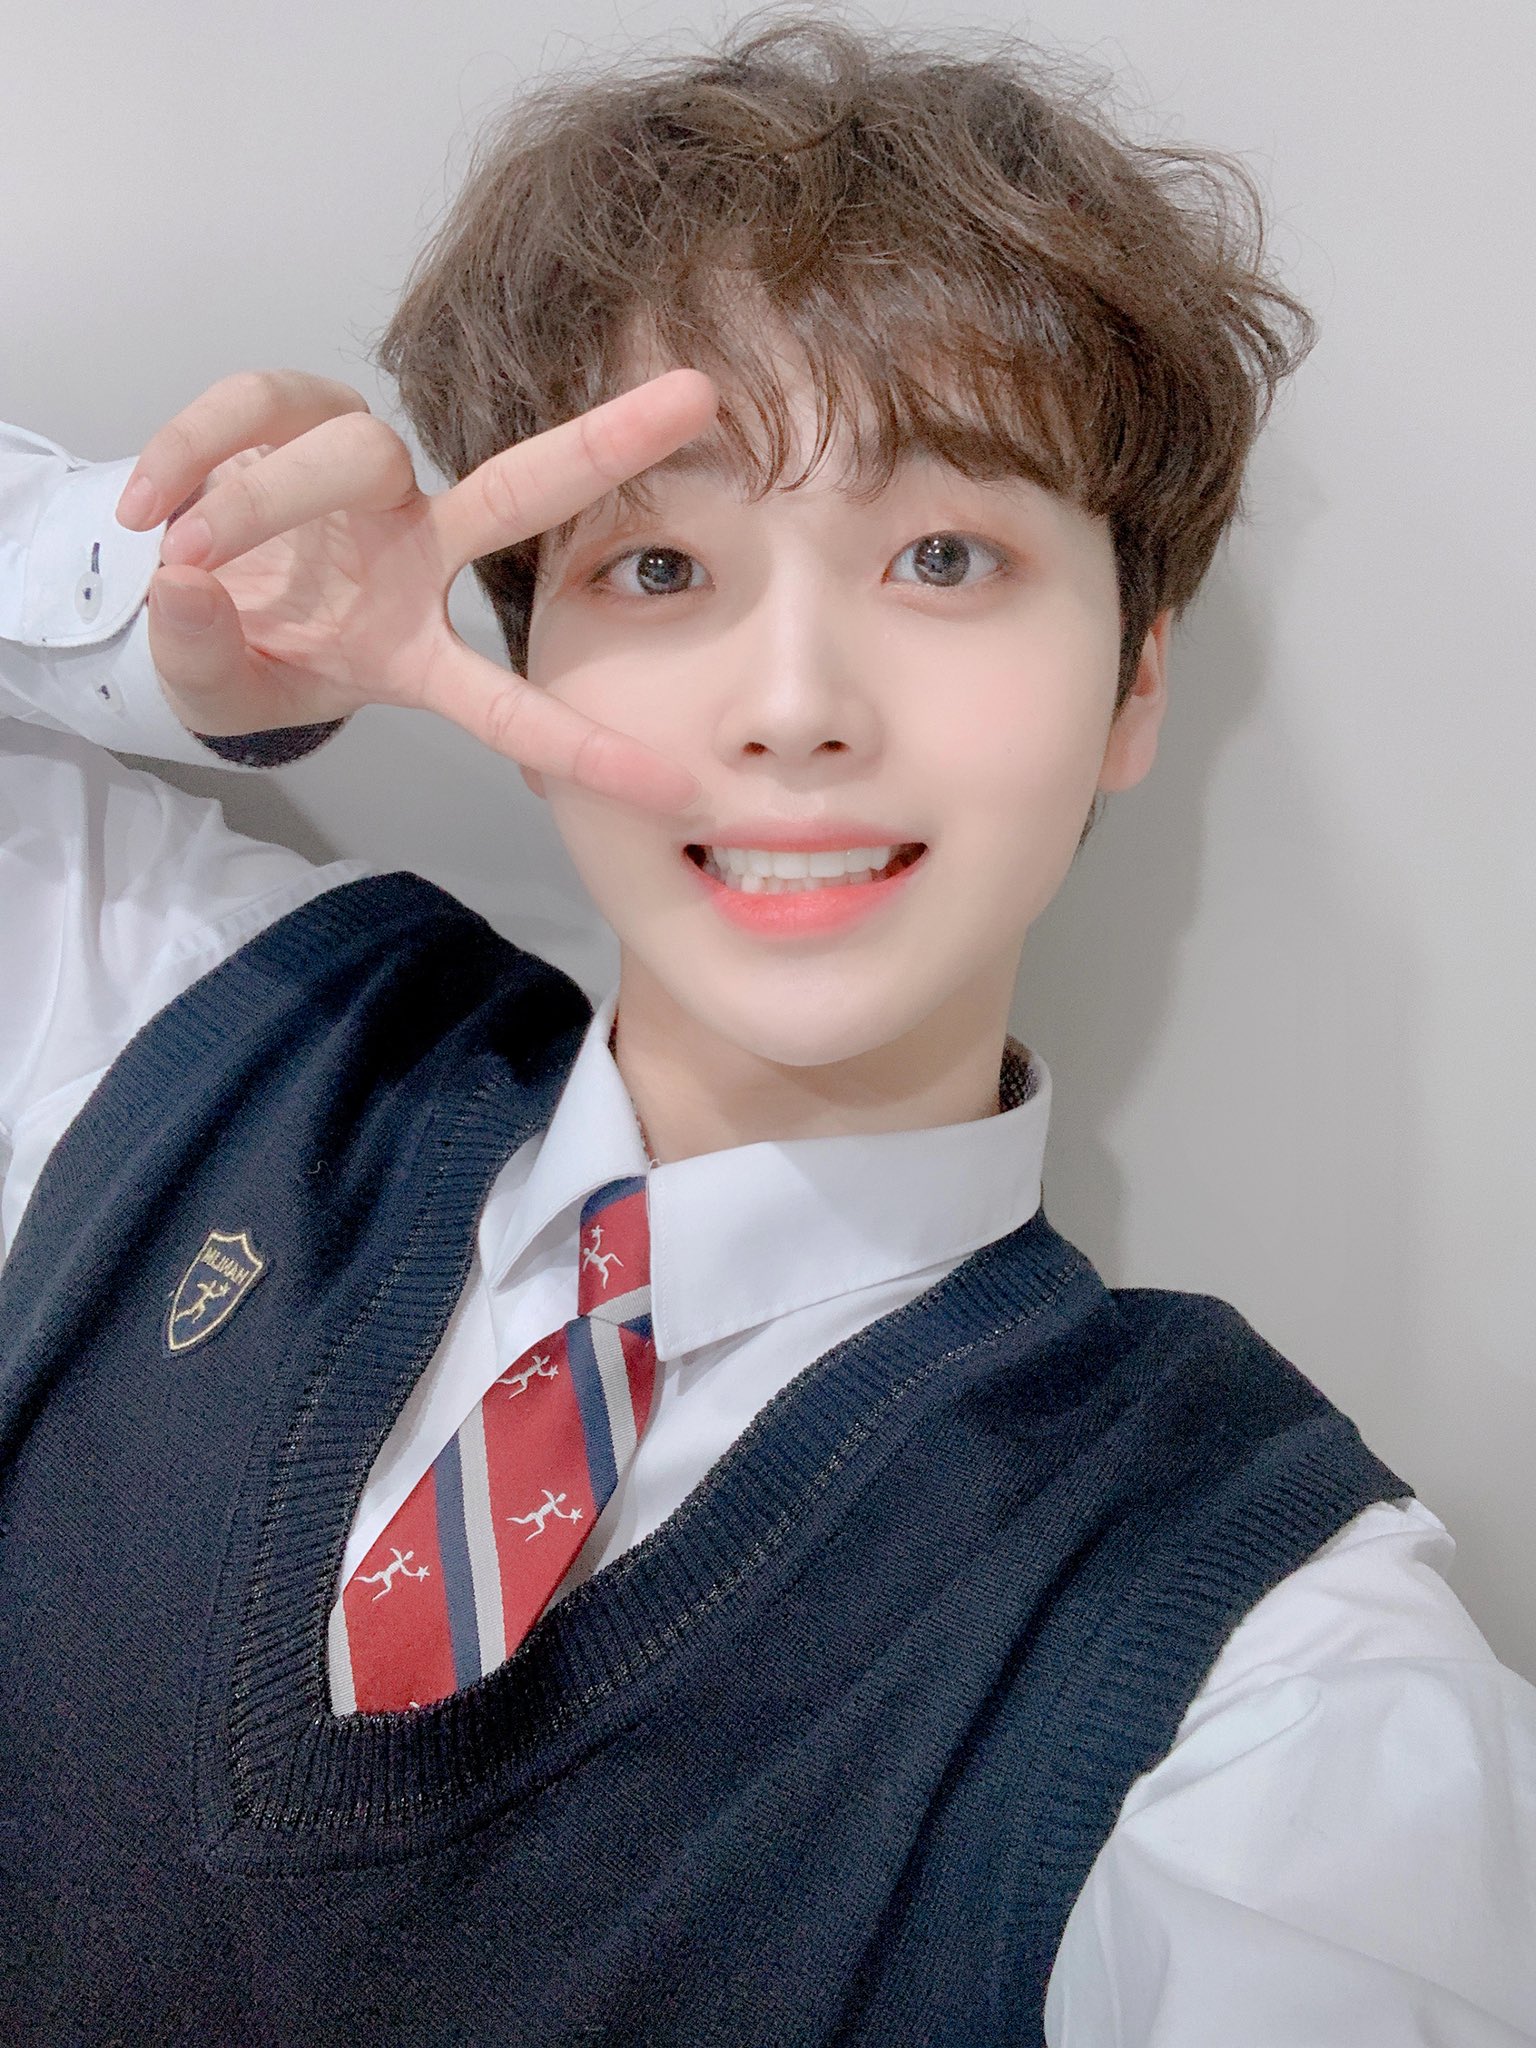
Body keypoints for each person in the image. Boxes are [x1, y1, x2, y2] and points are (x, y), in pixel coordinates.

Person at [1, 11, 1532, 2043]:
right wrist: (164, 618)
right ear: (516, 643)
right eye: (660, 563)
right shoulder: (198, 1022)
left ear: (1136, 680)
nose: (794, 704)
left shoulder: (1271, 1678)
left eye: (943, 555)